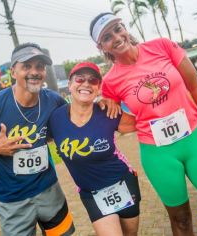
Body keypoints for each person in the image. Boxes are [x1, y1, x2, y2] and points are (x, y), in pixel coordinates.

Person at [89, 13, 197, 236]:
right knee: (181, 221)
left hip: (195, 142)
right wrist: (99, 103)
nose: (116, 37)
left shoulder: (162, 47)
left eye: (118, 29)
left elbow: (195, 87)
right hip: (158, 155)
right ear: (101, 46)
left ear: (125, 28)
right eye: (108, 37)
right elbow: (115, 120)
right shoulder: (110, 82)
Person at [0, 43, 76, 236]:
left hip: (49, 190)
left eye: (39, 66)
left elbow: (65, 127)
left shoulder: (53, 100)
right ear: (13, 71)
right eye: (27, 66)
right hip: (13, 200)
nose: (35, 72)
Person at [48, 62, 141, 236]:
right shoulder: (55, 118)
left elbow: (143, 120)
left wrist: (115, 100)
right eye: (80, 79)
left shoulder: (108, 112)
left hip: (123, 182)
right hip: (91, 193)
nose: (85, 84)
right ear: (70, 84)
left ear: (98, 88)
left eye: (93, 80)